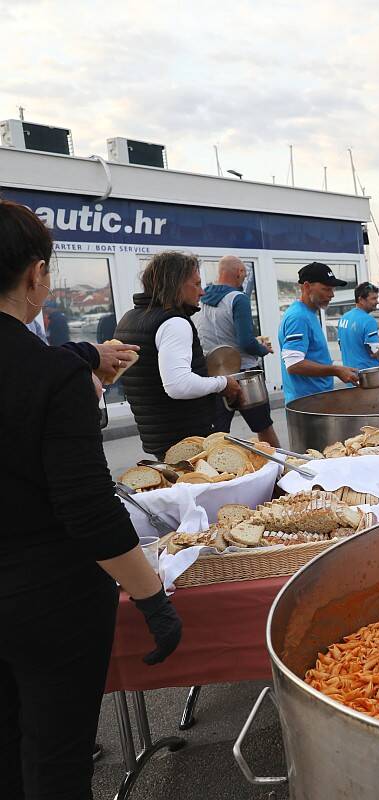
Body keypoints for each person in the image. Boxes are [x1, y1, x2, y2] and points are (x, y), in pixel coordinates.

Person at [0, 199, 182, 798]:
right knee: (55, 755)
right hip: (46, 599)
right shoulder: (47, 375)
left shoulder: (53, 368)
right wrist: (151, 595)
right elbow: (87, 511)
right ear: (35, 275)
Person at [116, 251, 242, 460]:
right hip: (185, 437)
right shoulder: (174, 322)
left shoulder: (129, 319)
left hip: (157, 435)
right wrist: (223, 383)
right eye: (196, 284)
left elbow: (151, 372)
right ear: (176, 285)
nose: (201, 292)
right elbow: (178, 385)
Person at [196, 255, 279, 447]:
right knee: (264, 429)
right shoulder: (238, 298)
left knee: (217, 435)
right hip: (244, 376)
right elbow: (246, 343)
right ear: (240, 272)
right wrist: (263, 349)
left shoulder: (202, 297)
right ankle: (279, 469)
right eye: (244, 273)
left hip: (215, 376)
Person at [279, 262, 360, 403]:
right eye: (326, 289)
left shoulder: (308, 313)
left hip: (316, 398)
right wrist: (336, 370)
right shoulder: (299, 317)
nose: (332, 294)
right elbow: (294, 364)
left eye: (332, 289)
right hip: (307, 403)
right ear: (307, 286)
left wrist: (337, 367)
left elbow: (314, 356)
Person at [337, 281, 379, 372]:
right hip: (369, 376)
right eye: (373, 298)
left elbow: (341, 345)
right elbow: (374, 352)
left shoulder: (343, 318)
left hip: (350, 374)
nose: (377, 302)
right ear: (361, 300)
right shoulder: (368, 320)